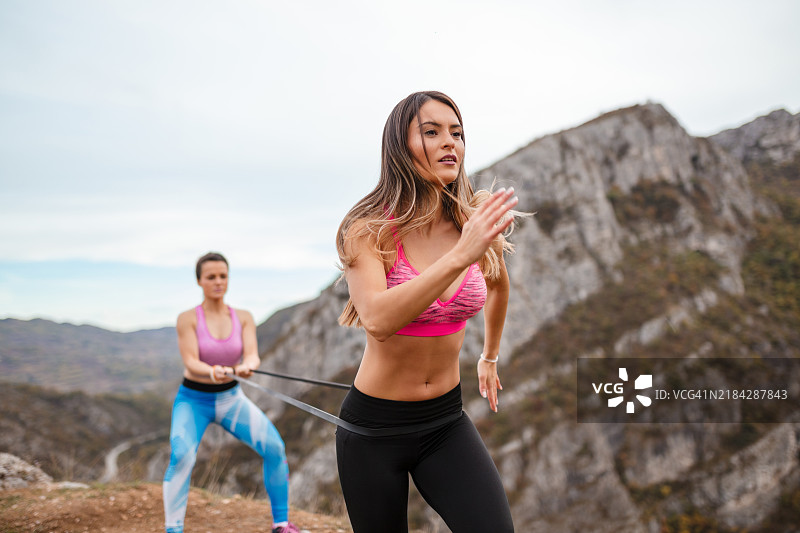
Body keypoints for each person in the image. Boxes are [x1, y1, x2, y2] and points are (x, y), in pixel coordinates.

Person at [335, 91, 518, 532]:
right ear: (401, 146)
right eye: (431, 132)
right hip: (373, 432)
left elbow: (497, 284)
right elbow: (377, 320)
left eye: (456, 133)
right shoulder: (368, 230)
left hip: (446, 422)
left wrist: (489, 357)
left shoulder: (469, 224)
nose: (449, 142)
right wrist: (459, 256)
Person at [162, 252, 303, 533]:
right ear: (199, 281)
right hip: (193, 400)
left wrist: (247, 366)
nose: (218, 282)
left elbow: (252, 355)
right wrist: (214, 371)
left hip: (231, 399)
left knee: (275, 448)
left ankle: (281, 524)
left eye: (222, 276)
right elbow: (190, 361)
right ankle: (173, 529)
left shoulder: (243, 317)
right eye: (211, 277)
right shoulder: (187, 319)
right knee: (181, 456)